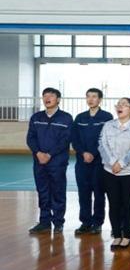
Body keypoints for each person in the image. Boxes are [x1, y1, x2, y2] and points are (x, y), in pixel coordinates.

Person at [98, 98, 130, 250]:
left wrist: (122, 163)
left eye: (124, 105)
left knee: (128, 203)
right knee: (113, 204)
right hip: (110, 170)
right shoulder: (108, 125)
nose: (120, 107)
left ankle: (127, 235)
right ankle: (117, 235)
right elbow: (102, 145)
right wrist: (113, 162)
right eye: (118, 104)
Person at [26, 87, 73, 234]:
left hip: (57, 162)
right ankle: (44, 221)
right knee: (43, 191)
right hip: (39, 162)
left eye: (51, 95)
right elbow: (30, 138)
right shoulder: (36, 117)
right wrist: (38, 153)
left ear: (58, 99)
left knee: (58, 191)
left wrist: (49, 154)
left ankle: (58, 222)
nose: (47, 98)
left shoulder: (66, 118)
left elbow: (65, 140)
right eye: (44, 95)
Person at [71, 88, 113, 235]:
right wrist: (83, 153)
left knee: (99, 193)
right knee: (83, 193)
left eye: (94, 96)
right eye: (88, 96)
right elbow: (74, 138)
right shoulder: (80, 117)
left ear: (100, 99)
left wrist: (93, 153)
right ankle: (85, 222)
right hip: (82, 161)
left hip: (99, 162)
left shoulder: (107, 117)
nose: (90, 99)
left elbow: (106, 139)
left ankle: (97, 223)